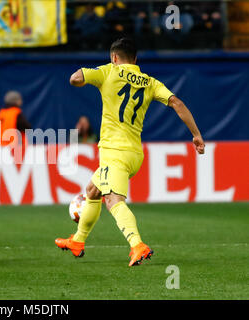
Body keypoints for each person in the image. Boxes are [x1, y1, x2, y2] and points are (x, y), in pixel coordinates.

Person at [56, 38, 205, 266]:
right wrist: (196, 135)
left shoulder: (108, 71)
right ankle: (77, 240)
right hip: (134, 153)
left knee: (113, 200)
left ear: (114, 57)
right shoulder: (150, 82)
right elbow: (177, 103)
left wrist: (94, 74)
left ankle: (137, 245)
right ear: (135, 60)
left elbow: (74, 79)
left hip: (114, 151)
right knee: (92, 190)